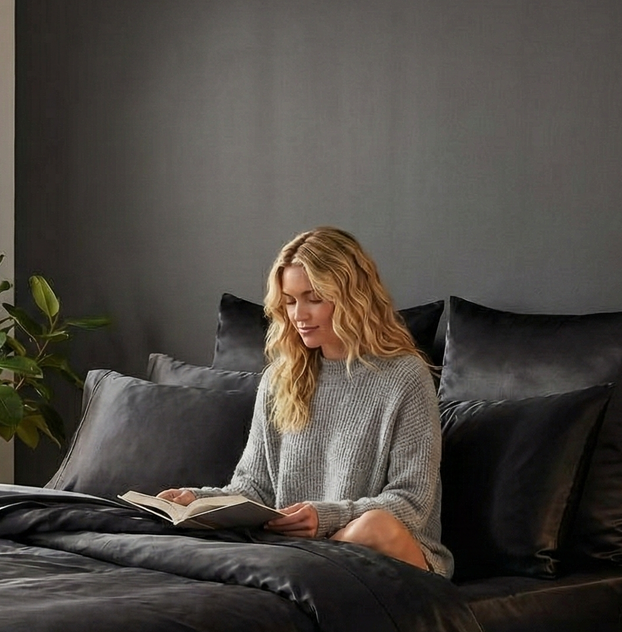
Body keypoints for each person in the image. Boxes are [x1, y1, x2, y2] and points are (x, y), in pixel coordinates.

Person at [159, 227, 452, 575]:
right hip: (298, 555)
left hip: (396, 554)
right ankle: (308, 570)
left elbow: (411, 502)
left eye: (313, 298)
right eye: (289, 301)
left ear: (353, 297)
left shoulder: (405, 376)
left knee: (374, 527)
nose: (299, 315)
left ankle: (310, 567)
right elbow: (254, 488)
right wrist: (197, 500)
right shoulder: (279, 379)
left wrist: (326, 516)